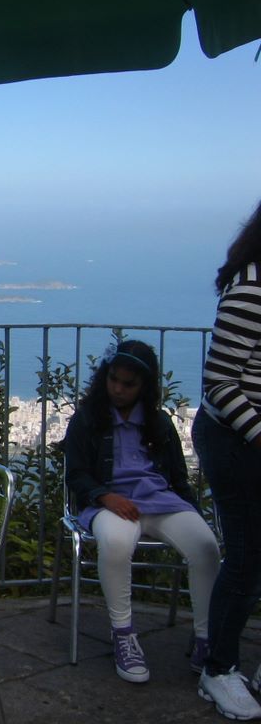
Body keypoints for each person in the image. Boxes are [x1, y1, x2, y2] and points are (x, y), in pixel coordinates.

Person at [64, 339, 219, 685]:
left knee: (206, 547)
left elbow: (177, 478)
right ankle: (124, 635)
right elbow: (76, 473)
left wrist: (193, 514)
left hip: (160, 501)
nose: (118, 389)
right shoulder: (87, 419)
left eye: (128, 384)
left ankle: (206, 637)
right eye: (113, 380)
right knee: (117, 545)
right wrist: (105, 497)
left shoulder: (159, 424)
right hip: (110, 504)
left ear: (144, 387)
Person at [194, 199, 261, 720]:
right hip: (236, 443)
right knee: (245, 557)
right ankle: (218, 670)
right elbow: (219, 382)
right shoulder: (254, 286)